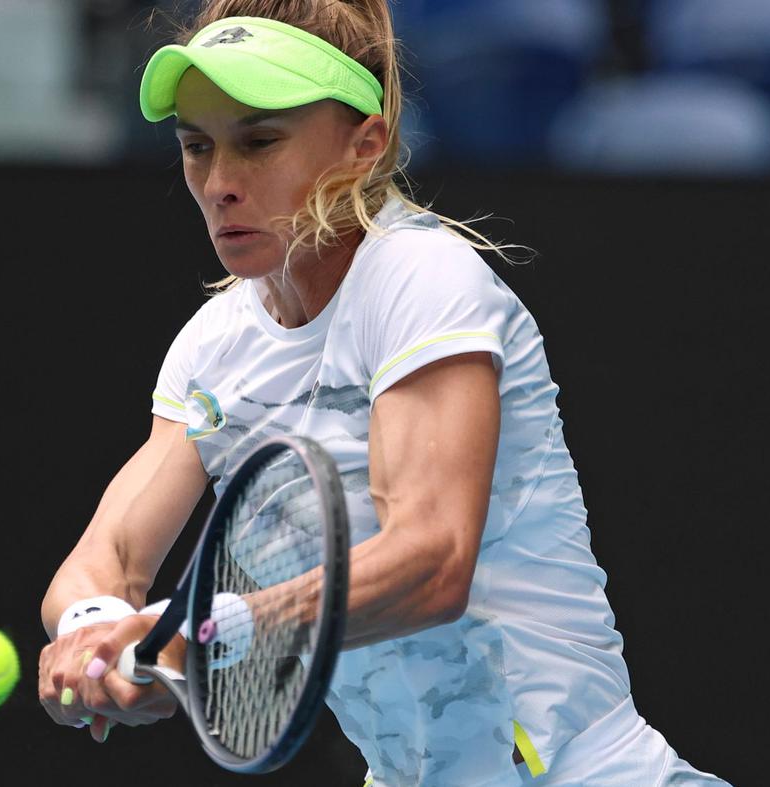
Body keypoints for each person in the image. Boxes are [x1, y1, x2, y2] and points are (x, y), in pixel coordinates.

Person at [37, 2, 730, 784]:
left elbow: (430, 563)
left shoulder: (422, 281)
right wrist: (93, 634)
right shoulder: (213, 348)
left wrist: (201, 631)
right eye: (198, 146)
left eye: (259, 142)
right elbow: (109, 556)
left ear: (364, 144)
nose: (220, 183)